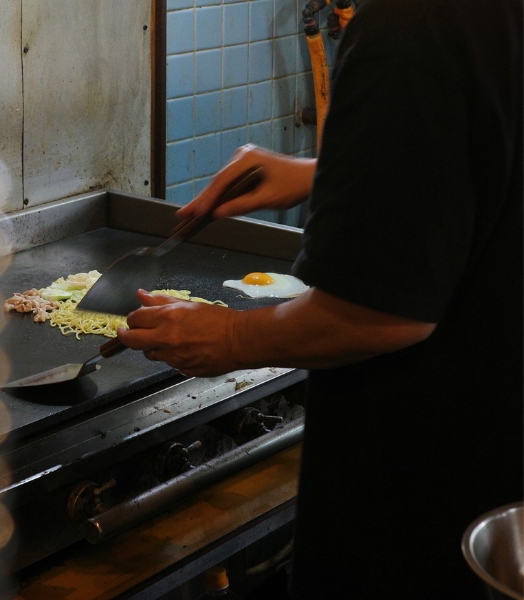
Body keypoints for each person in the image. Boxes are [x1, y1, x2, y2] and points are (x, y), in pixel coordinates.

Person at [117, 0, 523, 598]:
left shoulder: (412, 25)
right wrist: (335, 170)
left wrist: (230, 337)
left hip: (427, 491)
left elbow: (383, 315)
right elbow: (489, 146)